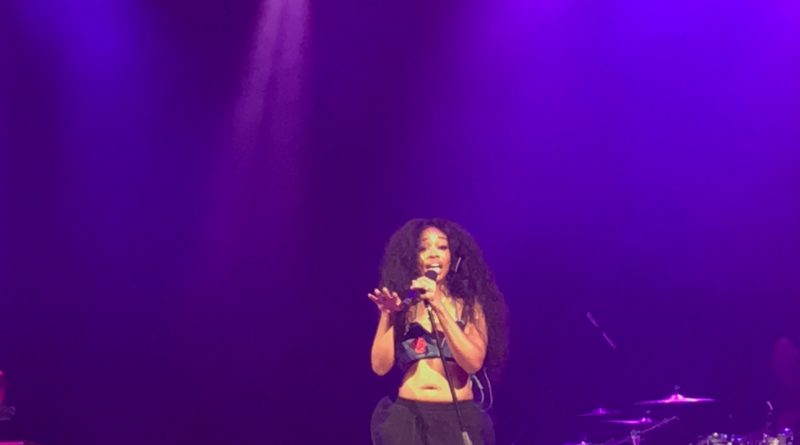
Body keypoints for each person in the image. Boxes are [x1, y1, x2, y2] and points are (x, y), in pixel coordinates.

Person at [368, 218, 508, 445]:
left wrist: (439, 305)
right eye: (423, 248)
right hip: (408, 417)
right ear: (414, 259)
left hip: (455, 417)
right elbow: (379, 367)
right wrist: (387, 315)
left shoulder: (469, 306)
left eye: (442, 247)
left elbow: (473, 363)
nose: (433, 254)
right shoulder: (404, 306)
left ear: (452, 256)